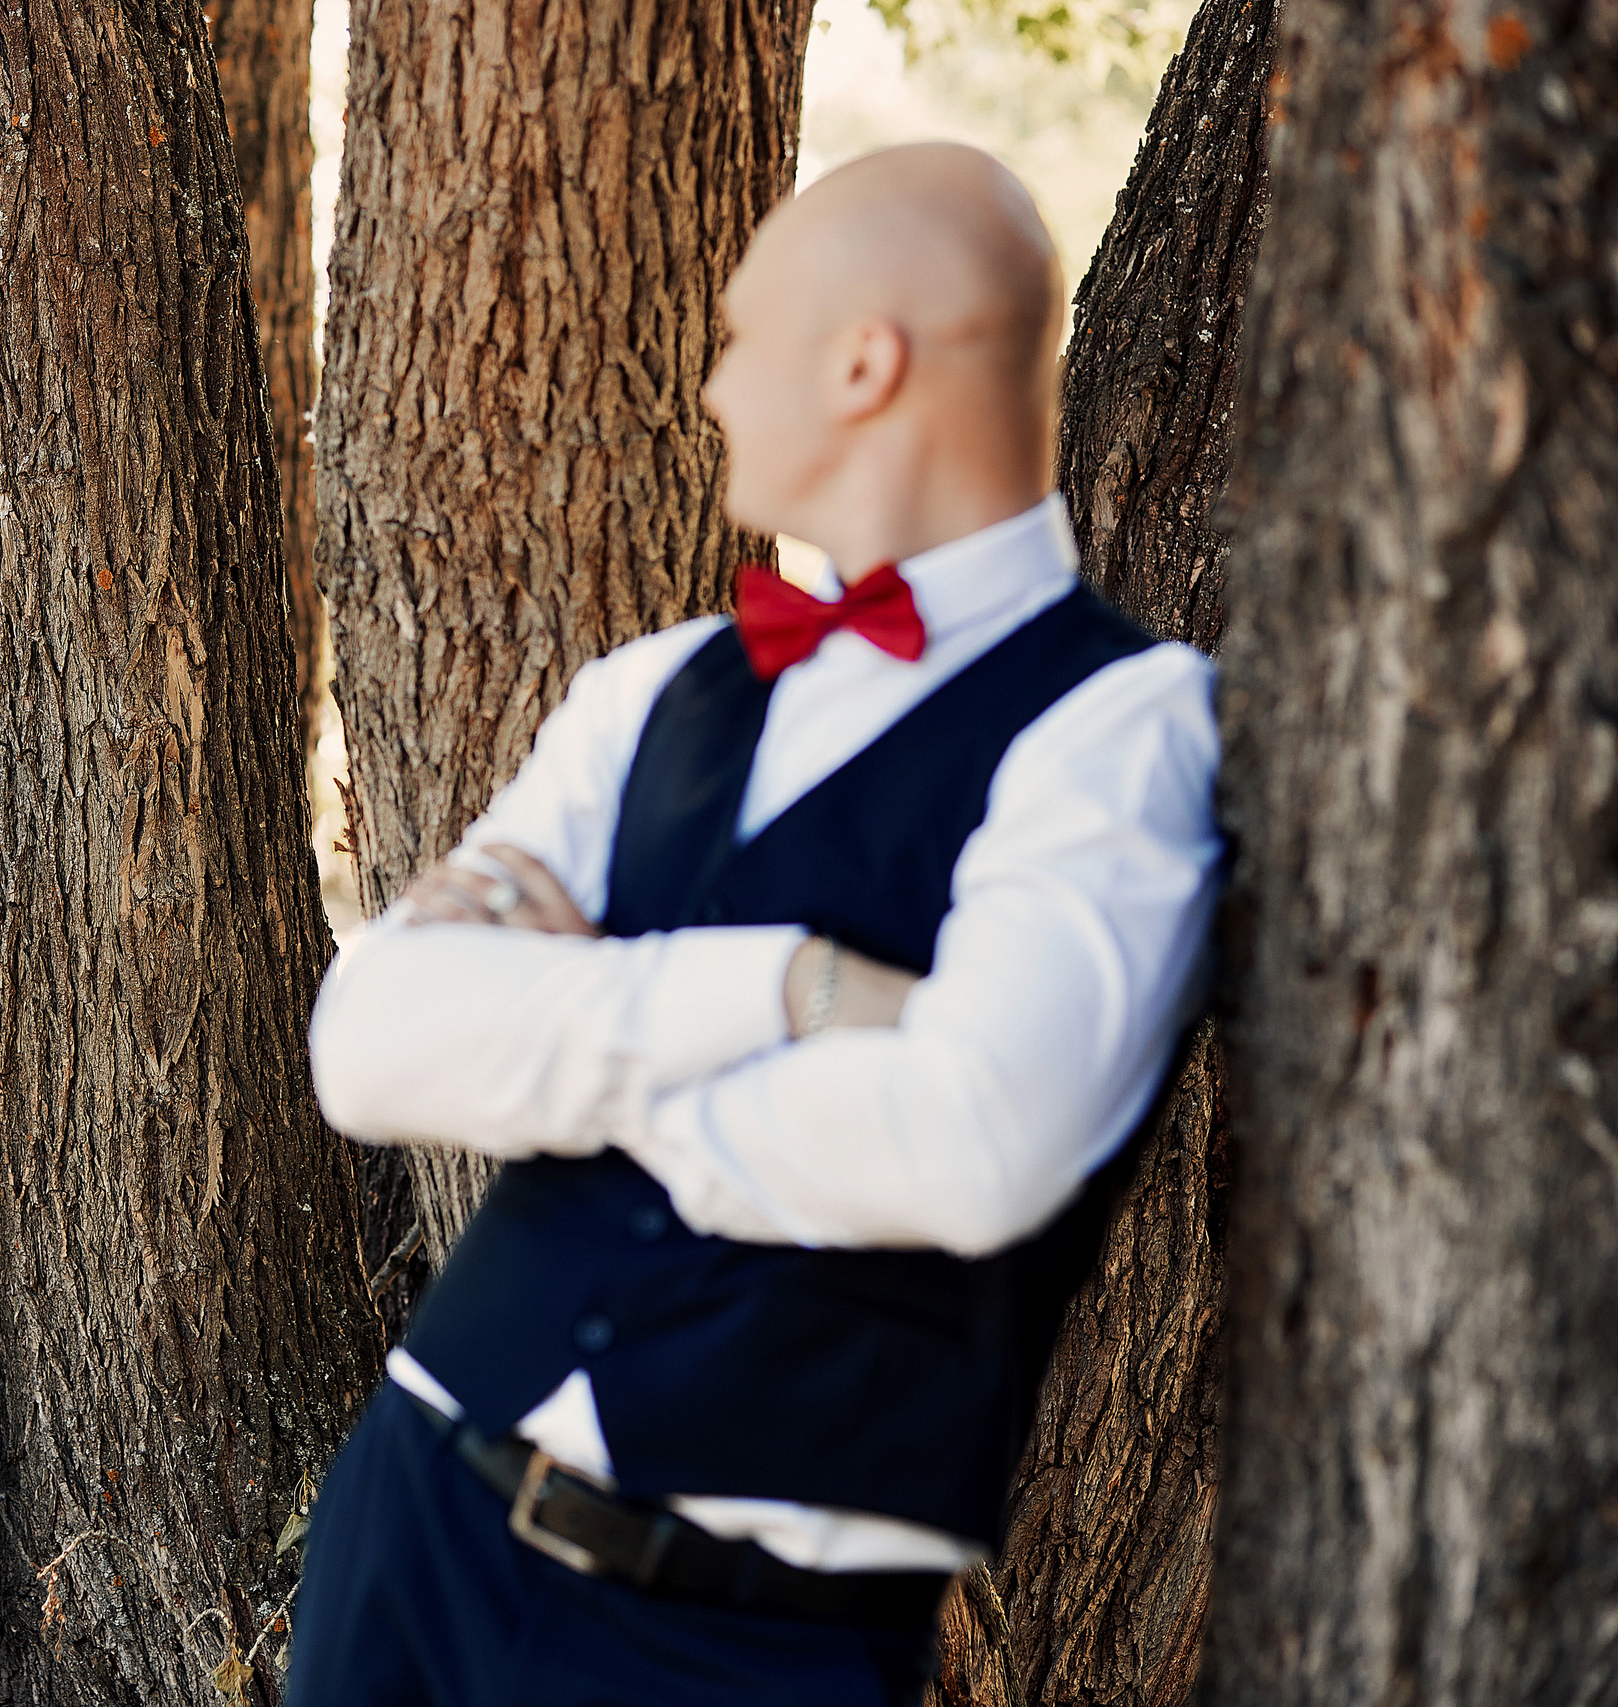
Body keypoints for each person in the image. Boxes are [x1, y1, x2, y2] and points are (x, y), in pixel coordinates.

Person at [289, 144, 1223, 1705]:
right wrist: (788, 985)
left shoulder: (1124, 726)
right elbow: (368, 1049)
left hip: (739, 1637)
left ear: (865, 360)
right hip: (413, 1520)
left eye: (740, 336)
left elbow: (973, 1139)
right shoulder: (650, 691)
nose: (714, 388)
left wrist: (564, 1055)